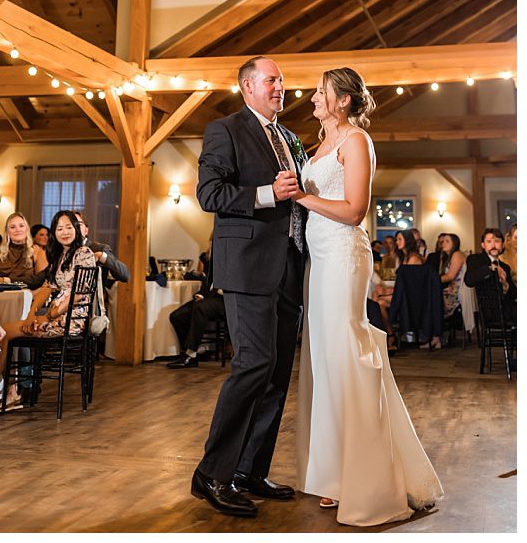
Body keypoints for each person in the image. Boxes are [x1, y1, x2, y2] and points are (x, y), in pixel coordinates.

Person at [290, 68, 441, 525]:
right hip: (319, 262)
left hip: (342, 259)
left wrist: (301, 197)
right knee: (327, 363)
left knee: (347, 358)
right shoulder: (319, 144)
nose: (314, 97)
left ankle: (369, 477)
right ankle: (336, 473)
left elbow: (354, 210)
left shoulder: (356, 142)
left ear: (342, 101)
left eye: (321, 92)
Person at [190, 56, 307, 519]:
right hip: (247, 266)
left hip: (290, 267)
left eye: (282, 81)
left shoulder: (289, 136)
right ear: (247, 86)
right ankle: (213, 474)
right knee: (253, 364)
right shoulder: (226, 129)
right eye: (272, 80)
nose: (281, 87)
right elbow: (209, 194)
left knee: (277, 373)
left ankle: (250, 470)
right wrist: (266, 194)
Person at [0, 209, 98, 409]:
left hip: (72, 320)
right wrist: (32, 314)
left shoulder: (84, 253)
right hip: (53, 316)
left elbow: (79, 293)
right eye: (59, 228)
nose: (65, 232)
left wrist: (48, 317)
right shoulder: (60, 255)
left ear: (77, 229)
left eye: (69, 227)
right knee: (3, 331)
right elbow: (47, 287)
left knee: (5, 332)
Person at [166, 251, 227, 369]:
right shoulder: (211, 258)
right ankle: (193, 352)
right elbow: (208, 283)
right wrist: (200, 295)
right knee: (177, 316)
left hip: (224, 300)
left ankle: (190, 354)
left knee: (200, 307)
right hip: (209, 297)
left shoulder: (232, 257)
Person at [0, 211, 48, 288]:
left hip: (28, 296)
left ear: (27, 229)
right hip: (0, 296)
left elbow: (43, 283)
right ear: (7, 232)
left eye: (21, 226)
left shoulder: (37, 252)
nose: (18, 230)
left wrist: (4, 280)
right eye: (12, 227)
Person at [431, 233, 468, 339]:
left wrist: (432, 279)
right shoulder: (448, 257)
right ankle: (435, 336)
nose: (443, 244)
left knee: (433, 300)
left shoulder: (457, 254)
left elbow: (450, 276)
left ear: (454, 243)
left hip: (458, 292)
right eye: (443, 241)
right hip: (451, 289)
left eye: (447, 241)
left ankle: (437, 336)